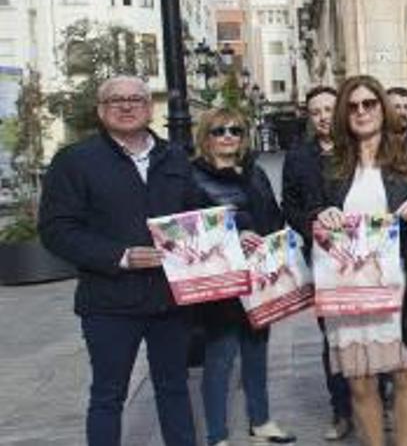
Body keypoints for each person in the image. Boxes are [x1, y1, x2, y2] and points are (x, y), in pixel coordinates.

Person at [38, 76, 204, 446]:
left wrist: (235, 229)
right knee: (108, 396)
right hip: (109, 302)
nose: (126, 106)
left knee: (175, 388)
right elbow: (56, 230)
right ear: (101, 111)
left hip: (169, 300)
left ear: (149, 108)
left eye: (135, 99)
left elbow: (197, 210)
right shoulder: (75, 161)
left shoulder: (174, 156)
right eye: (115, 100)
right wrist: (121, 256)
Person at [309, 75, 407, 446]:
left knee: (405, 376)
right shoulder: (331, 164)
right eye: (353, 106)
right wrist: (322, 217)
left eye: (369, 104)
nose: (361, 111)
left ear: (382, 107)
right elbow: (313, 213)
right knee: (360, 383)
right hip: (348, 291)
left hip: (398, 287)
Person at [190, 107, 296, 446]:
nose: (227, 137)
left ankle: (260, 422)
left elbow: (274, 215)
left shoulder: (255, 172)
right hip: (220, 279)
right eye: (219, 130)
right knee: (220, 357)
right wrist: (234, 238)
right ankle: (217, 435)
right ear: (205, 136)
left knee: (256, 351)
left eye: (235, 130)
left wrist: (271, 242)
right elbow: (189, 231)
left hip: (259, 276)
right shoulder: (192, 177)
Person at [281, 85, 353, 441]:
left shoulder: (360, 148)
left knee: (374, 328)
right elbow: (289, 206)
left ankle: (376, 400)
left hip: (364, 257)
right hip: (323, 258)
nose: (324, 116)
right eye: (316, 111)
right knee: (334, 337)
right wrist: (311, 222)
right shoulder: (297, 157)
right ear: (309, 117)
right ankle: (341, 410)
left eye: (329, 108)